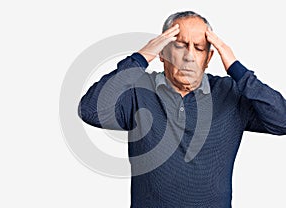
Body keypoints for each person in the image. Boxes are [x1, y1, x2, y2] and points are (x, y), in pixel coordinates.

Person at [78, 11, 286, 208]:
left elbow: (282, 120)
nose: (189, 56)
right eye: (180, 46)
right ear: (162, 53)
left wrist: (236, 68)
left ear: (208, 58)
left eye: (199, 48)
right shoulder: (138, 90)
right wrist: (140, 58)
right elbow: (89, 110)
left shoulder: (231, 93)